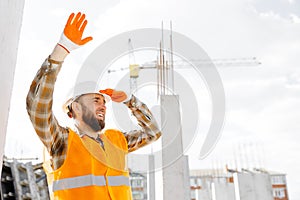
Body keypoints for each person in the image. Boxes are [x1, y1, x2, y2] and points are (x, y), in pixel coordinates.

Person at [26, 12, 161, 200]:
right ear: (76, 108)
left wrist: (130, 102)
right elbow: (37, 108)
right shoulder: (62, 142)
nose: (103, 105)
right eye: (96, 100)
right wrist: (60, 52)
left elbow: (153, 132)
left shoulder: (116, 142)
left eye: (104, 101)